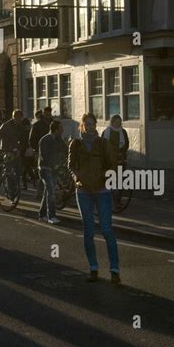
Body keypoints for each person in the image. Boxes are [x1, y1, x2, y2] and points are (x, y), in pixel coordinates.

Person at [68, 113, 121, 285]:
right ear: (82, 126)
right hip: (83, 192)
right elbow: (71, 165)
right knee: (88, 231)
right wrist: (77, 177)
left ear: (95, 126)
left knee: (107, 230)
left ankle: (114, 270)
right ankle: (93, 268)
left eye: (92, 124)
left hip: (102, 191)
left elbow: (112, 164)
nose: (90, 127)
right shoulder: (75, 144)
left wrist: (106, 181)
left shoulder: (103, 144)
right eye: (87, 124)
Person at [38, 120, 67, 225]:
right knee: (51, 192)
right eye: (61, 128)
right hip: (45, 169)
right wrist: (53, 164)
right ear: (56, 130)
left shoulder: (59, 140)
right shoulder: (45, 140)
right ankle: (52, 216)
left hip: (54, 170)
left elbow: (66, 149)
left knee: (48, 192)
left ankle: (42, 215)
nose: (62, 130)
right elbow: (44, 156)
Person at [0, 109, 26, 193]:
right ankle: (10, 190)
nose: (20, 120)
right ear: (14, 117)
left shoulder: (21, 127)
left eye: (21, 118)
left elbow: (23, 140)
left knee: (18, 171)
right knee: (8, 171)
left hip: (16, 151)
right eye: (18, 118)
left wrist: (20, 149)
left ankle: (16, 188)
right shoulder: (6, 126)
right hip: (6, 150)